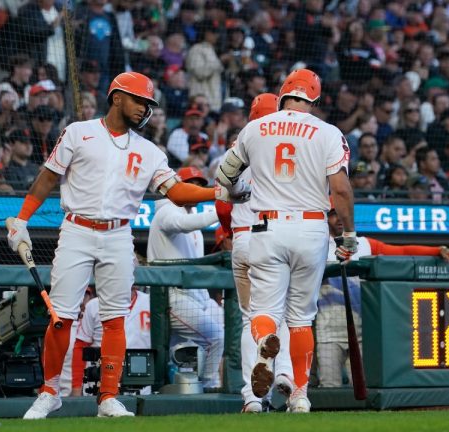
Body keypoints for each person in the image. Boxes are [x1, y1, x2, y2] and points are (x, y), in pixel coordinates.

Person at [7, 71, 236, 420]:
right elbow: (47, 179)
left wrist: (218, 192)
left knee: (115, 319)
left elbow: (175, 192)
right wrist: (22, 219)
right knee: (62, 317)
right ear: (117, 97)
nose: (146, 109)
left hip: (118, 234)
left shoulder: (149, 150)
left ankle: (108, 397)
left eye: (149, 104)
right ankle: (50, 391)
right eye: (140, 101)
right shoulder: (78, 132)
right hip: (77, 229)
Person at [215, 69, 355, 413]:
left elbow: (223, 177)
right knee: (301, 319)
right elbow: (340, 190)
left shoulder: (254, 128)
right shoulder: (328, 132)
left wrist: (237, 195)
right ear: (315, 99)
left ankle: (265, 345)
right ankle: (300, 395)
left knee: (262, 312)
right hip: (311, 229)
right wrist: (348, 236)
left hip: (266, 228)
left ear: (282, 95)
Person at [317, 206, 449, 387]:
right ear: (325, 218)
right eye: (333, 215)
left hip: (362, 330)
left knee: (363, 388)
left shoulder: (364, 244)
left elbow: (401, 252)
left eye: (341, 213)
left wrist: (436, 250)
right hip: (328, 331)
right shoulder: (317, 245)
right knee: (330, 387)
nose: (338, 219)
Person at [215, 93, 295, 413]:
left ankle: (251, 396)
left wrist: (228, 228)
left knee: (252, 318)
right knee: (284, 315)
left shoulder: (240, 146)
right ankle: (286, 374)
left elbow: (221, 201)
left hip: (245, 239)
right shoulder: (292, 147)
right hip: (279, 237)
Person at [146, 166, 222, 390]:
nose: (197, 190)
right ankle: (208, 387)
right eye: (192, 185)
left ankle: (186, 392)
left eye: (200, 186)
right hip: (172, 297)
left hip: (193, 299)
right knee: (215, 337)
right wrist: (220, 212)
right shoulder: (166, 210)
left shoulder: (192, 218)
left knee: (178, 358)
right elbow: (181, 225)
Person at [71, 285, 151, 396]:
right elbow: (80, 347)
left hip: (140, 380)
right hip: (99, 380)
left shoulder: (151, 302)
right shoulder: (94, 305)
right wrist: (76, 387)